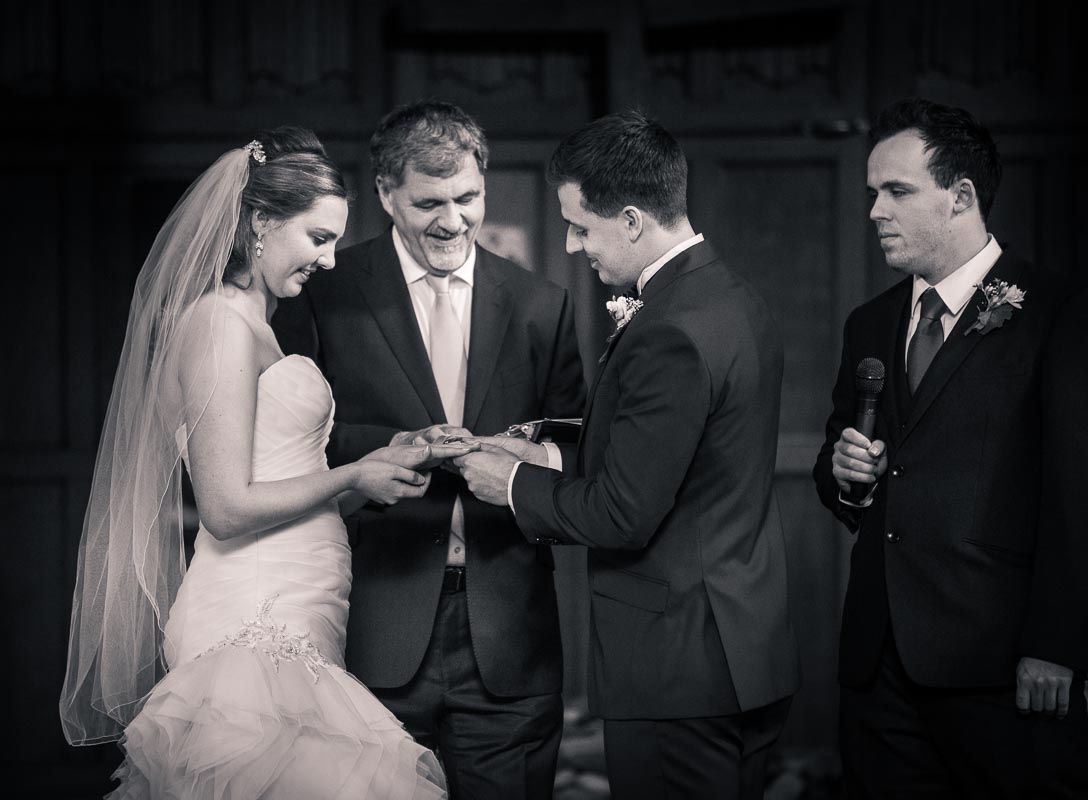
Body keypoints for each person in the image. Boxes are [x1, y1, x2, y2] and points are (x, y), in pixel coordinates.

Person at [59, 126, 475, 798]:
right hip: (251, 617)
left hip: (301, 609)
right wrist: (350, 473)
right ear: (260, 223)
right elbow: (226, 509)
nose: (330, 261)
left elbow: (285, 487)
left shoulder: (259, 325)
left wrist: (379, 466)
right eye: (319, 237)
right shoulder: (218, 324)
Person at [455, 110, 799, 800]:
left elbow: (622, 514)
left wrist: (511, 482)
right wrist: (550, 451)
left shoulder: (669, 328)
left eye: (582, 227)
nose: (574, 245)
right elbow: (680, 452)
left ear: (634, 220)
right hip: (740, 643)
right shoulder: (729, 297)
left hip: (678, 664)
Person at [274, 100, 585, 798]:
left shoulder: (543, 304)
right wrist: (386, 452)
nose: (452, 220)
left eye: (467, 198)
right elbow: (289, 447)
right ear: (386, 194)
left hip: (509, 640)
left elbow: (575, 451)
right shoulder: (324, 294)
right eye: (429, 203)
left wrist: (520, 465)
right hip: (368, 628)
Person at [814, 97, 1088, 798]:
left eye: (896, 191)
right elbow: (841, 466)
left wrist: (1056, 644)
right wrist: (846, 475)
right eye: (872, 193)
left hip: (998, 660)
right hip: (878, 660)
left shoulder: (1055, 312)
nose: (875, 210)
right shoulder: (869, 322)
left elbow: (1075, 489)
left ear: (961, 196)